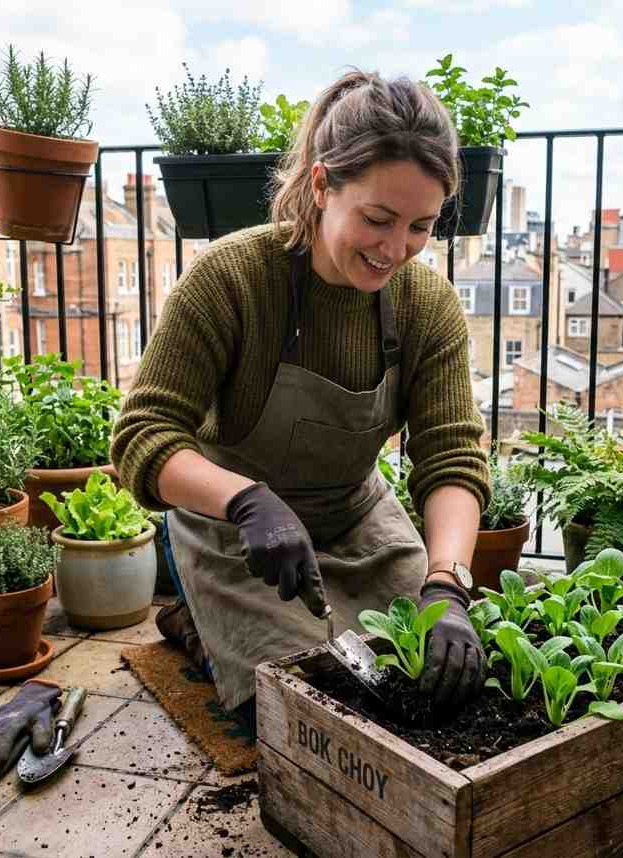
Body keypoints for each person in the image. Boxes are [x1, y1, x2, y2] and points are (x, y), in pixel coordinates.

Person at [111, 70, 491, 725]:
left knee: (428, 676)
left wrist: (448, 585)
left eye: (421, 226)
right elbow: (142, 435)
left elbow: (451, 455)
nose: (396, 249)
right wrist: (246, 500)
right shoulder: (231, 280)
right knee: (309, 705)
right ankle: (203, 622)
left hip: (355, 518)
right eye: (377, 218)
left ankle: (216, 630)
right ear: (321, 186)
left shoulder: (427, 306)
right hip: (237, 531)